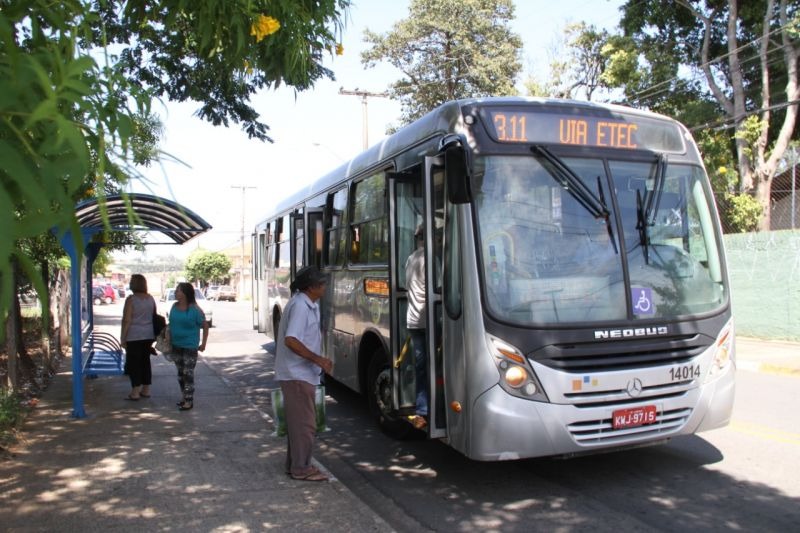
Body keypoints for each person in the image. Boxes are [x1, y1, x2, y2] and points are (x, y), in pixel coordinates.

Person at [274, 266, 333, 482]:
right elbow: (292, 340)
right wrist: (318, 359)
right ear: (311, 287)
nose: (325, 287)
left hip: (301, 373)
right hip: (296, 374)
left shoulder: (307, 304)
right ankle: (301, 469)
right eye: (323, 284)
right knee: (306, 425)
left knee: (299, 424)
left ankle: (295, 465)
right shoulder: (300, 306)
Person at [168, 282, 209, 411]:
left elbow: (205, 326)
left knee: (188, 373)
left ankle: (189, 401)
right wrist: (167, 336)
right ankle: (184, 396)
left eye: (178, 290)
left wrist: (203, 343)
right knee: (180, 374)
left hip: (190, 346)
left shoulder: (195, 310)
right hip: (176, 345)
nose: (176, 292)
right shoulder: (174, 307)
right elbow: (171, 323)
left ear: (185, 293)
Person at [405, 225, 429, 430]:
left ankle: (422, 410)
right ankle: (428, 407)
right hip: (428, 320)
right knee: (434, 366)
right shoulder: (430, 259)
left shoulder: (411, 259)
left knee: (422, 367)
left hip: (413, 319)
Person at [120, 274, 156, 401]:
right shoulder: (151, 298)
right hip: (148, 334)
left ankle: (135, 392)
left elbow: (127, 320)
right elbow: (153, 316)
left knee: (134, 363)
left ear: (134, 284)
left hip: (134, 335)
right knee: (145, 361)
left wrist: (123, 338)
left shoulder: (131, 300)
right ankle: (146, 389)